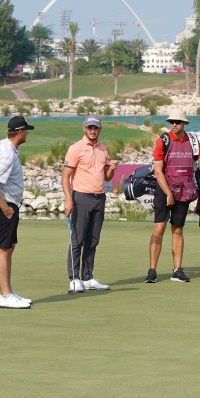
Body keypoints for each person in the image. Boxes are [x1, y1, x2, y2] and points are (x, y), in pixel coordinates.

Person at [147, 108, 200, 284]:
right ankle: (152, 270)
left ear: (184, 123)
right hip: (164, 190)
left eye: (177, 122)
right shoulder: (163, 141)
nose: (174, 125)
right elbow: (158, 171)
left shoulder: (193, 140)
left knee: (177, 229)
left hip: (183, 190)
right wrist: (168, 193)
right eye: (172, 122)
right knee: (159, 228)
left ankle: (177, 270)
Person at [62, 115, 118, 293]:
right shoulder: (76, 148)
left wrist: (112, 169)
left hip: (99, 197)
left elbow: (107, 177)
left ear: (100, 129)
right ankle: (74, 279)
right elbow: (65, 176)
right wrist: (68, 199)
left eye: (96, 128)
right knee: (78, 240)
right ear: (84, 128)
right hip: (81, 197)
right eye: (90, 128)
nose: (93, 131)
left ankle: (87, 277)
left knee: (93, 240)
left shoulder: (103, 149)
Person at [0, 115, 35, 310]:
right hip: (2, 205)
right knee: (3, 249)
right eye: (26, 130)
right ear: (20, 132)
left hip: (6, 203)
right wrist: (5, 209)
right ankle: (5, 296)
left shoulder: (5, 145)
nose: (27, 133)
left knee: (9, 247)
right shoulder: (8, 154)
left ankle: (8, 293)